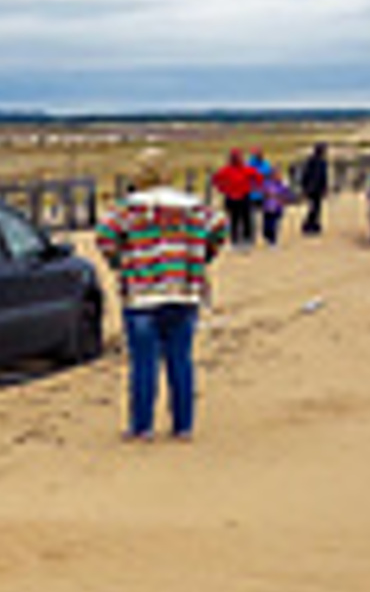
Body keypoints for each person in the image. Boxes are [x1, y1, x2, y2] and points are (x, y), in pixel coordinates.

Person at [96, 185, 227, 441]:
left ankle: (142, 426)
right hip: (184, 291)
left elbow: (104, 236)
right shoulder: (193, 208)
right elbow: (220, 227)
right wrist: (201, 256)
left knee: (144, 363)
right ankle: (183, 426)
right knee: (181, 361)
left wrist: (120, 262)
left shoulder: (130, 209)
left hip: (142, 294)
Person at [212, 149, 260, 248]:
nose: (237, 159)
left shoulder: (246, 168)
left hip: (244, 197)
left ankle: (247, 240)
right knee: (234, 220)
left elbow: (258, 177)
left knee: (246, 219)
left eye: (238, 157)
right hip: (232, 197)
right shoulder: (226, 170)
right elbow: (216, 180)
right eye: (235, 157)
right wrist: (223, 189)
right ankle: (235, 241)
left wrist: (253, 187)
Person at [257, 161, 293, 247]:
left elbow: (287, 194)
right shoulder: (267, 183)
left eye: (279, 174)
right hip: (267, 208)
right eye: (276, 174)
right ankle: (267, 236)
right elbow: (262, 192)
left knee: (274, 225)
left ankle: (273, 241)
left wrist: (287, 199)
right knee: (266, 226)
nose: (278, 176)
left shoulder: (282, 184)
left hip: (277, 208)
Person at [299, 142, 329, 235]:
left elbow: (324, 177)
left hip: (316, 189)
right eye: (324, 150)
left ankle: (314, 225)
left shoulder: (322, 162)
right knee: (313, 207)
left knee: (316, 207)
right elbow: (305, 175)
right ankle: (309, 225)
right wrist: (304, 187)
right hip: (312, 189)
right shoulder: (312, 161)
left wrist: (324, 188)